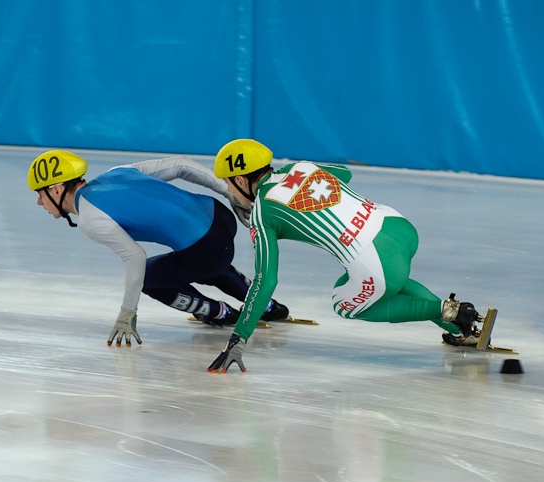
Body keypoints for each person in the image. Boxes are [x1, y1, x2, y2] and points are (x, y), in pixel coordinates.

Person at [206, 138, 485, 373]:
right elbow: (344, 174)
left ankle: (451, 312)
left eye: (228, 185)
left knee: (344, 302)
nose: (229, 192)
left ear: (241, 179)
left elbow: (265, 281)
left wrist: (238, 338)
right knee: (390, 284)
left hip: (376, 258)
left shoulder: (262, 213)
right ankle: (463, 329)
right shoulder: (299, 167)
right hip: (397, 228)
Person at [27, 150, 289, 346]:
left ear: (57, 189)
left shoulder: (88, 217)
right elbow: (181, 165)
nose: (40, 204)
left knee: (150, 277)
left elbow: (135, 257)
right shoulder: (117, 172)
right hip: (220, 217)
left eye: (40, 194)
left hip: (208, 249)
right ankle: (266, 305)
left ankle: (217, 312)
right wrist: (229, 192)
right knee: (195, 260)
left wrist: (127, 311)